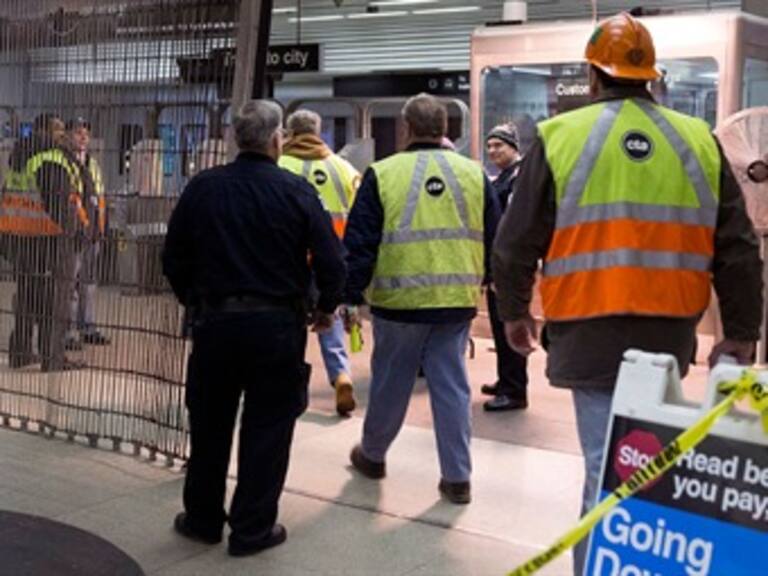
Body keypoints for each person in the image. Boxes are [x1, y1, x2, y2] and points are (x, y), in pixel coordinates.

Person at [491, 13, 763, 575]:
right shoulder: (698, 140)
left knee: (606, 467)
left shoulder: (559, 137)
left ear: (593, 75)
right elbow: (737, 247)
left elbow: (515, 243)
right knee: (644, 464)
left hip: (587, 329)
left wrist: (515, 313)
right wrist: (739, 333)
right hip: (669, 333)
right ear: (651, 77)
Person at [162, 100, 345, 556]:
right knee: (268, 427)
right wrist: (326, 307)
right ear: (276, 140)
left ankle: (203, 521)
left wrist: (197, 300)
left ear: (234, 139)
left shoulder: (202, 188)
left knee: (209, 424)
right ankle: (252, 529)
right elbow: (331, 260)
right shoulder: (296, 192)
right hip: (277, 327)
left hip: (215, 325)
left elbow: (172, 258)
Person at [343, 93, 499, 505]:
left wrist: (346, 296)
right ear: (446, 130)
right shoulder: (475, 174)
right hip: (456, 300)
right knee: (451, 387)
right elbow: (496, 236)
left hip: (398, 303)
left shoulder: (382, 173)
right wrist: (494, 282)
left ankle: (373, 455)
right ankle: (457, 478)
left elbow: (360, 244)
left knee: (391, 383)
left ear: (407, 129)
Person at [278, 109, 360, 416]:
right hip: (332, 258)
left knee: (289, 323)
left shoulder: (279, 165)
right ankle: (340, 375)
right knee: (332, 317)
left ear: (289, 133)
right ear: (319, 130)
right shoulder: (345, 169)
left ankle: (287, 385)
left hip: (290, 260)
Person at [1, 113, 89, 371]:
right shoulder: (51, 159)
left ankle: (21, 352)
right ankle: (53, 358)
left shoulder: (20, 158)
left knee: (28, 296)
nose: (62, 135)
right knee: (57, 299)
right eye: (58, 129)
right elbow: (60, 204)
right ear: (44, 131)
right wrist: (76, 231)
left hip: (23, 240)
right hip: (52, 241)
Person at [481, 123, 529, 412]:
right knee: (500, 328)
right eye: (489, 146)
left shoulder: (519, 178)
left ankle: (514, 391)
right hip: (498, 263)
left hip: (508, 266)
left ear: (514, 147)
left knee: (510, 327)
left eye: (499, 145)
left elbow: (512, 225)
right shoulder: (504, 177)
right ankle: (506, 380)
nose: (492, 151)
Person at [66, 117, 110, 350]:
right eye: (77, 132)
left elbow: (100, 198)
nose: (83, 137)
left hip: (93, 233)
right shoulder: (65, 163)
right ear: (67, 136)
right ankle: (68, 332)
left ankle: (88, 327)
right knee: (70, 284)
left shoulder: (93, 164)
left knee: (89, 283)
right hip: (74, 234)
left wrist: (102, 228)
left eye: (86, 133)